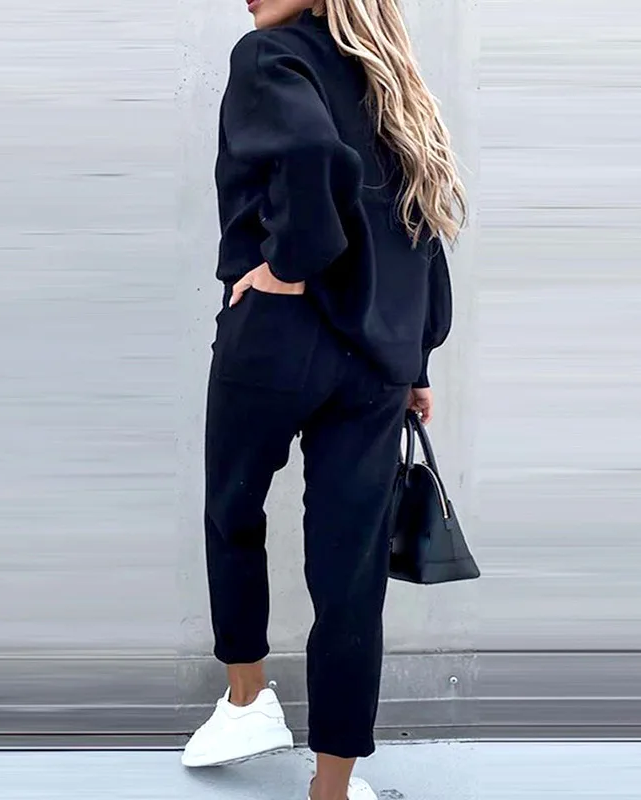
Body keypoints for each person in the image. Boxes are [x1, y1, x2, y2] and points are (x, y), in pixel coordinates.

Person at [182, 1, 467, 798]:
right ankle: (332, 787)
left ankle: (248, 702)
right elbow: (422, 226)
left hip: (279, 337)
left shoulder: (269, 57)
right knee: (351, 572)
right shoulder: (392, 81)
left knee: (233, 512)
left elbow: (309, 152)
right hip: (377, 360)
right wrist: (418, 359)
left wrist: (290, 266)